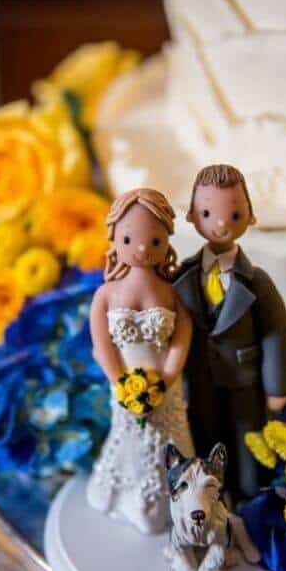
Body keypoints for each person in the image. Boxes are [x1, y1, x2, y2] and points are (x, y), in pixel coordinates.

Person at [174, 164, 286, 503]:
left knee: (246, 436)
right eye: (208, 212)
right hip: (197, 378)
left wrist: (277, 386)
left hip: (245, 378)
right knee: (205, 432)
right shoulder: (181, 278)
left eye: (234, 212)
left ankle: (248, 493)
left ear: (251, 217)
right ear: (192, 217)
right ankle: (209, 490)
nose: (222, 223)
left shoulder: (257, 281)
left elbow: (276, 333)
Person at [87, 188, 194, 534]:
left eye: (154, 240)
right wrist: (119, 382)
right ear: (114, 238)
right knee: (130, 440)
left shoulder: (171, 292)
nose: (144, 248)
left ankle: (172, 502)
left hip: (166, 386)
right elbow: (101, 344)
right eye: (130, 238)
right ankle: (125, 496)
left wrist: (166, 377)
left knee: (170, 443)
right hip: (125, 386)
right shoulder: (106, 294)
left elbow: (181, 337)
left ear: (167, 239)